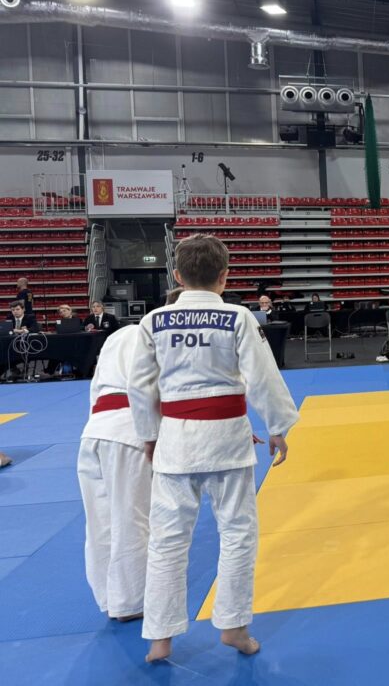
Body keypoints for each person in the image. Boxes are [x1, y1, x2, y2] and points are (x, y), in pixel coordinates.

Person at [128, 234, 299, 663]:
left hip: (176, 439)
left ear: (177, 276)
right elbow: (262, 375)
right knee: (238, 533)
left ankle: (160, 637)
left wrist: (149, 434)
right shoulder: (237, 316)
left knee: (167, 540)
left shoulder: (153, 321)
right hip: (226, 438)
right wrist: (277, 426)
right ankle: (234, 626)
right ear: (224, 276)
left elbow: (140, 386)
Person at [77, 323, 150, 623]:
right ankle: (131, 601)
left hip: (94, 431)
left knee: (99, 520)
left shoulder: (114, 339)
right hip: (130, 428)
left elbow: (94, 390)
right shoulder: (154, 336)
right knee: (131, 517)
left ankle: (107, 597)